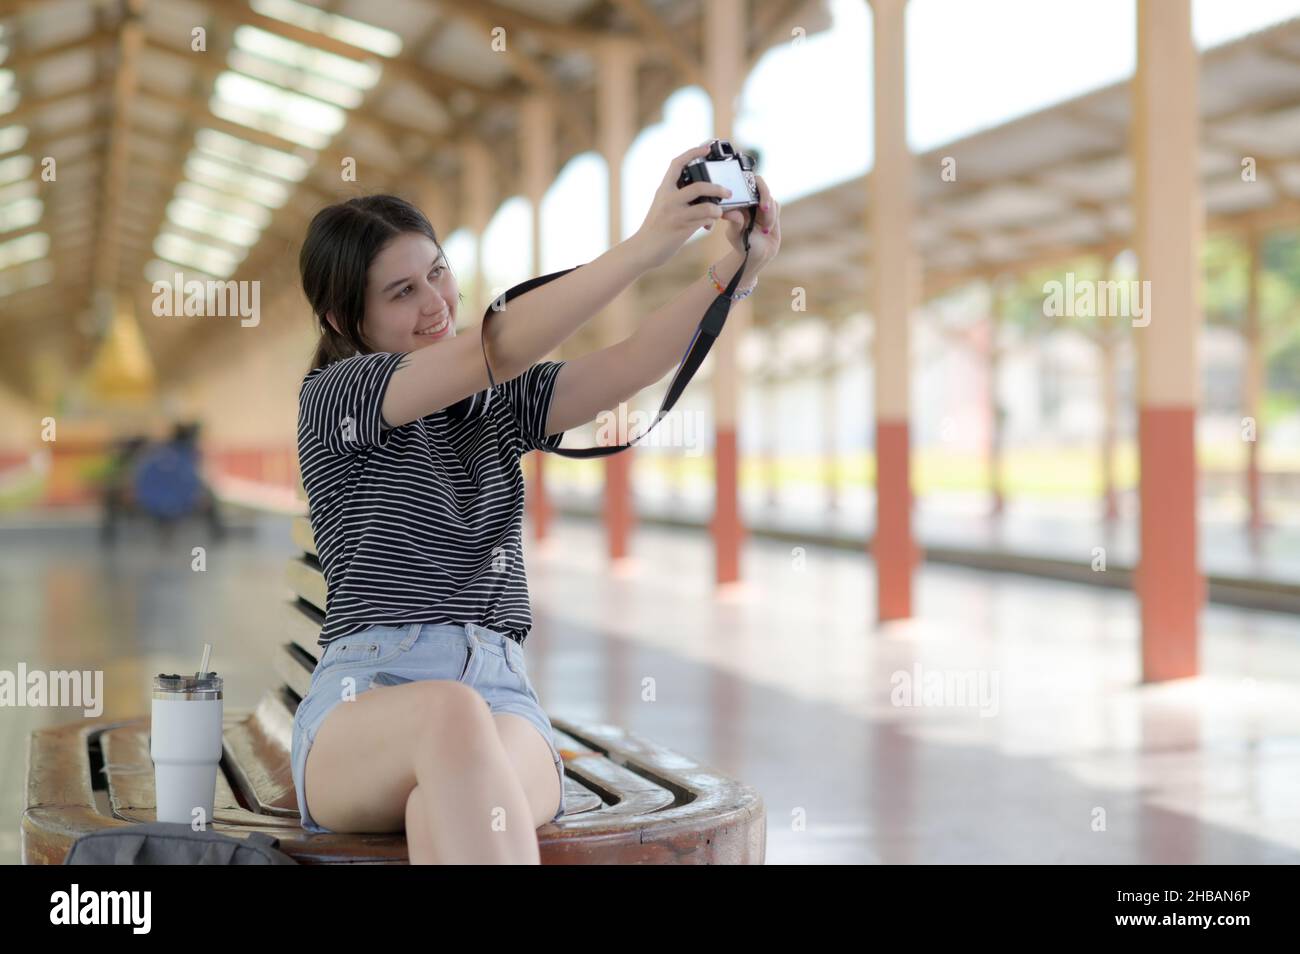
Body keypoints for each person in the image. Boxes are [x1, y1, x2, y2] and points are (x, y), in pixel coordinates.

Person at [291, 144, 782, 864]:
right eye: (401, 293)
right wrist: (648, 244)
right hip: (365, 701)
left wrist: (734, 272)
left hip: (501, 693)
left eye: (437, 273)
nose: (435, 305)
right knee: (451, 721)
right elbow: (497, 348)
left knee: (450, 809)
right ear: (344, 319)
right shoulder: (340, 397)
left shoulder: (493, 401)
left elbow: (627, 363)